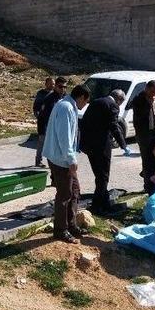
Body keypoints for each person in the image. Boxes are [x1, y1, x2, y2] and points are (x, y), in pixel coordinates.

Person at [43, 85, 91, 244]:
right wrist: (71, 159)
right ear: (81, 97)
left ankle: (71, 225)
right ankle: (60, 230)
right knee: (64, 194)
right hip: (61, 159)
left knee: (75, 190)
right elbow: (64, 137)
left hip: (63, 157)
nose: (85, 105)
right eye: (86, 101)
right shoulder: (66, 108)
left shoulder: (69, 106)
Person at [80, 89, 132, 215]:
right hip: (101, 146)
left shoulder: (96, 101)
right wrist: (123, 145)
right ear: (119, 99)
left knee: (98, 174)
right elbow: (114, 126)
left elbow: (85, 121)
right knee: (103, 176)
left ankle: (104, 201)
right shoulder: (112, 106)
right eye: (121, 102)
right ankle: (98, 205)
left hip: (88, 145)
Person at [131, 80, 155, 195]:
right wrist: (148, 103)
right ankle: (148, 185)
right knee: (146, 159)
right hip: (144, 134)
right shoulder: (138, 99)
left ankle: (147, 174)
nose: (154, 94)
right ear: (146, 89)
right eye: (152, 92)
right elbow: (139, 115)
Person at [35, 77, 67, 168]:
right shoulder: (49, 98)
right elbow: (45, 115)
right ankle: (39, 161)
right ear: (56, 87)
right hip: (46, 125)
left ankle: (55, 163)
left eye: (65, 87)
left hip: (57, 126)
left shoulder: (64, 97)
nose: (63, 89)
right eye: (60, 87)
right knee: (44, 143)